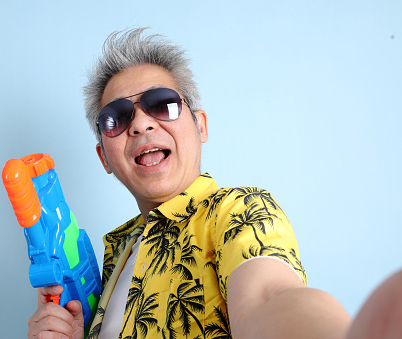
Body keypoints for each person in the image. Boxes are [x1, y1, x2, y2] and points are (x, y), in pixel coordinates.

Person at [27, 28, 401, 339]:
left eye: (162, 104)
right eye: (117, 118)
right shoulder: (113, 257)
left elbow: (270, 298)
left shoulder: (238, 211)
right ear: (104, 156)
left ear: (200, 125)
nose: (140, 124)